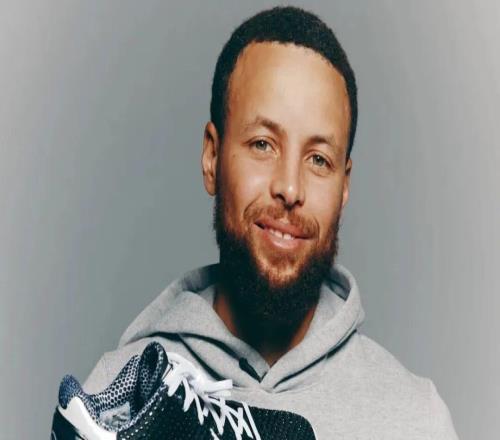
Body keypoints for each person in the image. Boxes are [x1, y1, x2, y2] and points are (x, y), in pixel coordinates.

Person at [82, 6, 458, 438]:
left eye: (319, 159)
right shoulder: (116, 403)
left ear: (344, 185)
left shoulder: (417, 421)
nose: (290, 188)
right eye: (263, 144)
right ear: (212, 157)